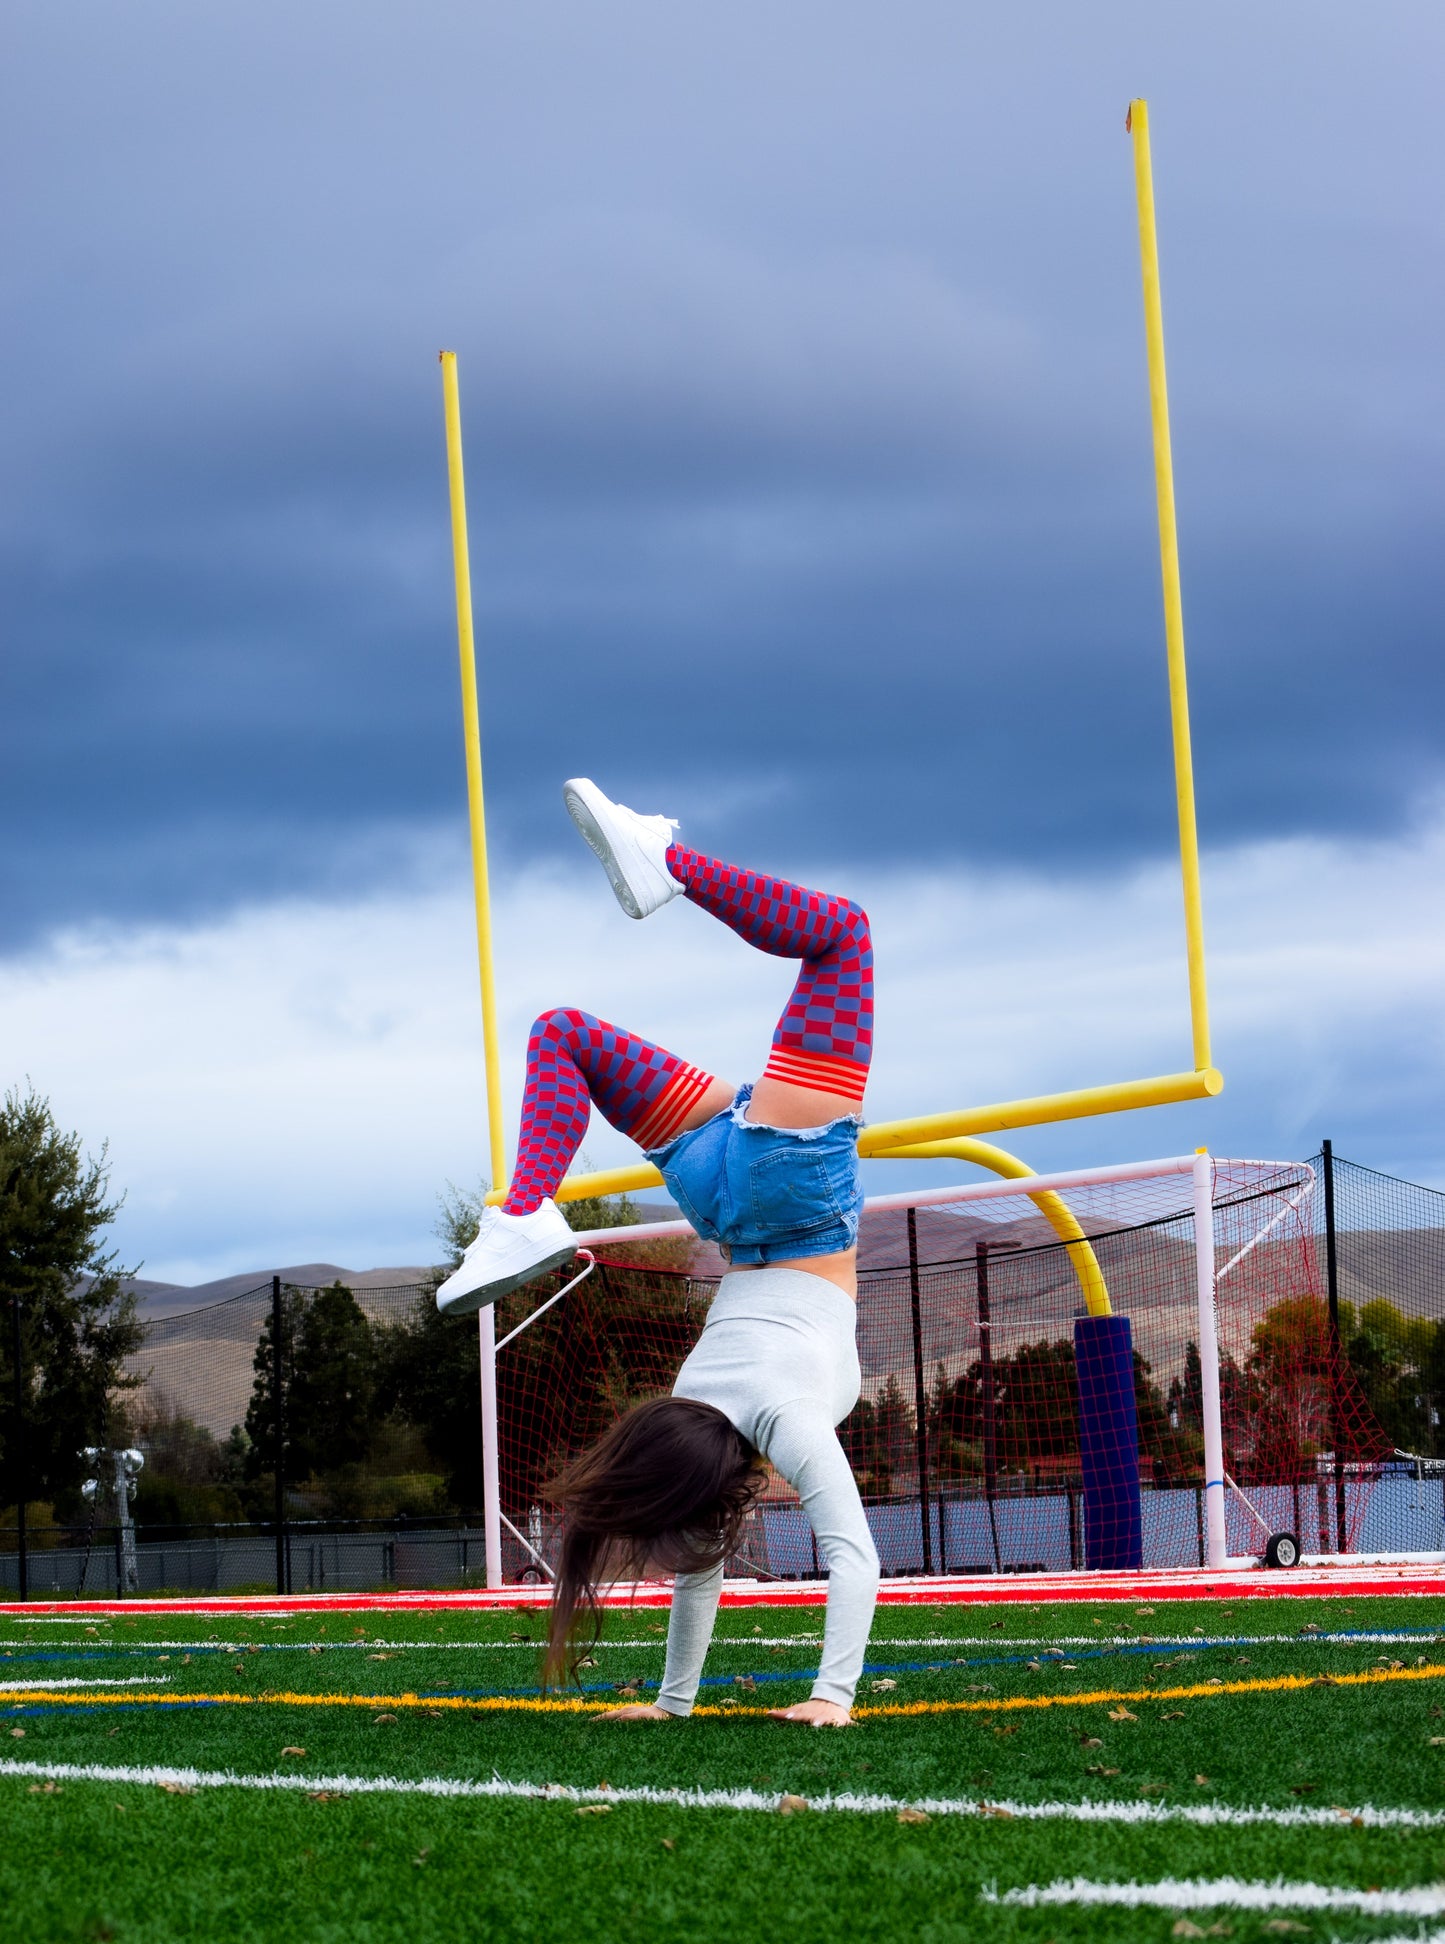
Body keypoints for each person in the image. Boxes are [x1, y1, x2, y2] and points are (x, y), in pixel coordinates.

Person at [437, 777, 880, 1727]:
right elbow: (700, 1564)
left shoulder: (774, 1421)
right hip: (718, 1185)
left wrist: (830, 1697)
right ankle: (521, 1210)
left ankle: (668, 862)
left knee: (843, 935)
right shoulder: (687, 1405)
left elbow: (854, 1554)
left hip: (786, 1194)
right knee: (564, 1036)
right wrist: (671, 1705)